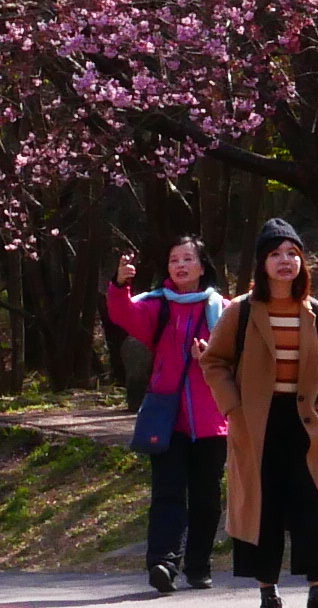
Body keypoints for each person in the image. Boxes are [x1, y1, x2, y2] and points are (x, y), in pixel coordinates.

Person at [198, 218, 318, 608]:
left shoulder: (316, 314)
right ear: (261, 264)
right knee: (263, 508)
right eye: (275, 254)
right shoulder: (242, 311)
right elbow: (214, 362)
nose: (285, 261)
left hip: (307, 425)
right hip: (257, 425)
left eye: (293, 254)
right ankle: (268, 590)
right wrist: (233, 407)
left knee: (316, 508)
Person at [106, 238, 231, 594]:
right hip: (168, 418)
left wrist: (209, 356)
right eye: (174, 259)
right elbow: (123, 312)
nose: (180, 265)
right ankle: (163, 562)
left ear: (202, 266)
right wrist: (120, 283)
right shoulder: (157, 305)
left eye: (188, 259)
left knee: (206, 499)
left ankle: (199, 565)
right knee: (167, 494)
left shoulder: (223, 309)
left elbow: (238, 354)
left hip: (213, 420)